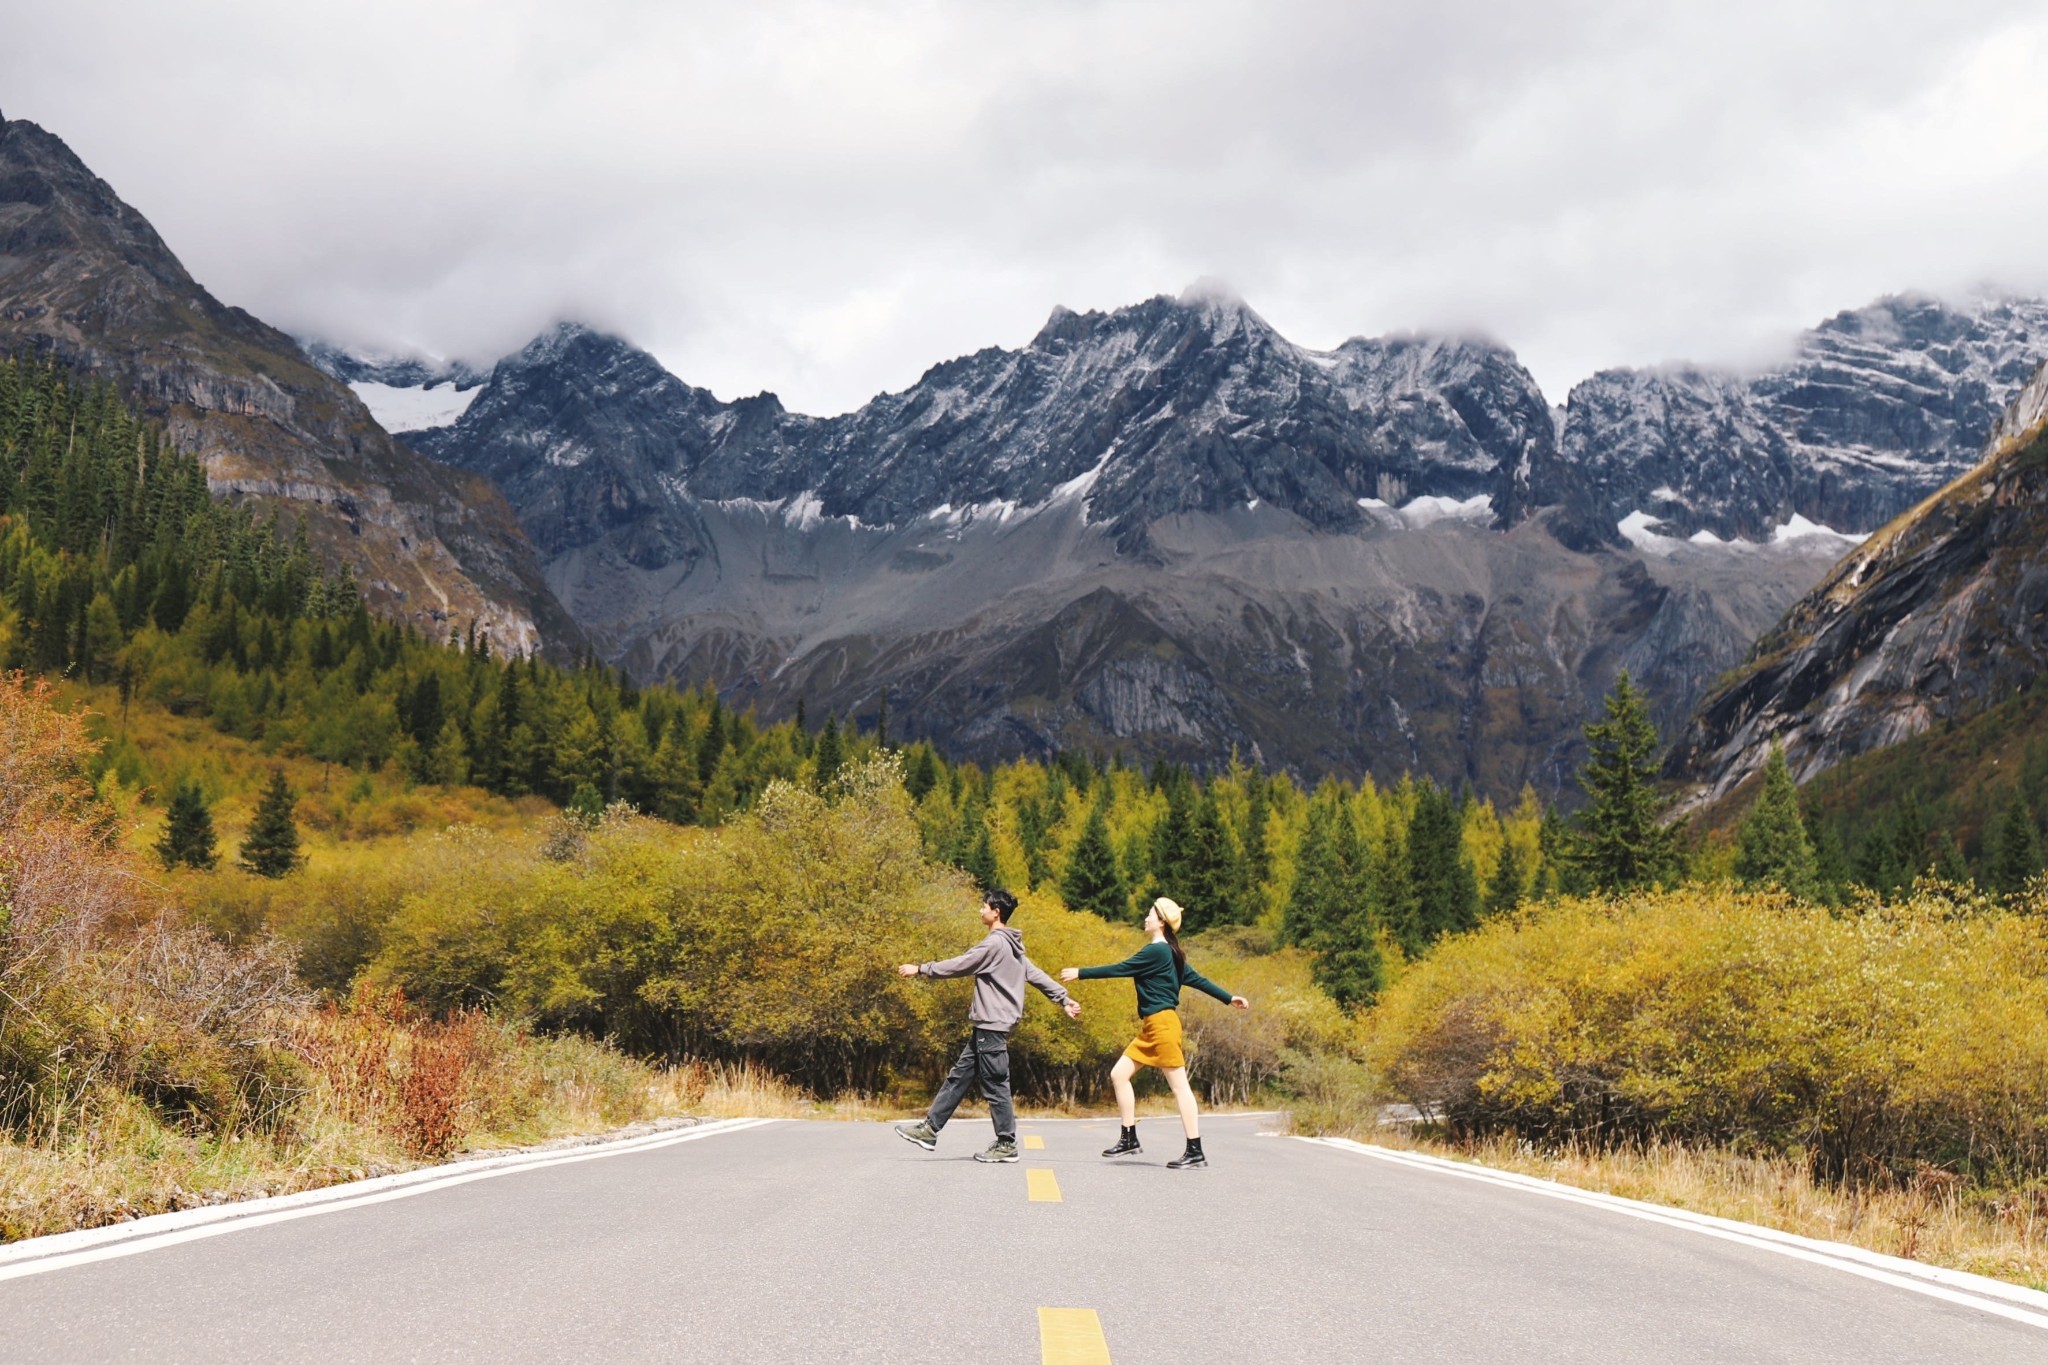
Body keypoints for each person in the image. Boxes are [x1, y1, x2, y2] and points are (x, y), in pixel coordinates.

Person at [894, 888, 1081, 1163]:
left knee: (996, 1084)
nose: (980, 910)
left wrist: (921, 968)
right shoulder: (1012, 948)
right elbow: (1036, 975)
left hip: (992, 1026)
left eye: (984, 906)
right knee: (958, 1078)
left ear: (996, 912)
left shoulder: (995, 944)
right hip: (987, 1027)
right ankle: (930, 1129)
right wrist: (1062, 998)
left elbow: (961, 964)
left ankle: (1006, 1143)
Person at [1060, 896, 1248, 1169]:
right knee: (1118, 1074)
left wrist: (1081, 973)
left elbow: (1121, 969)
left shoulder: (1157, 951)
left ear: (1161, 921)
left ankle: (1195, 1150)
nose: (1145, 918)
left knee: (1180, 1087)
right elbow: (1197, 979)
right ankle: (1129, 1138)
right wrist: (1229, 998)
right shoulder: (1170, 952)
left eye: (1150, 914)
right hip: (1152, 1026)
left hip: (1162, 1026)